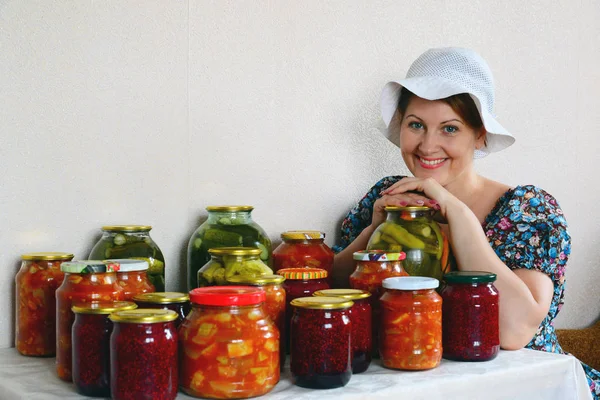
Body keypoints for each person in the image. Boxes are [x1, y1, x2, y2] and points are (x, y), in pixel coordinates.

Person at [331, 47, 600, 398]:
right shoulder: (385, 197)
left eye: (449, 128)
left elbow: (515, 330)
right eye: (416, 125)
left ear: (480, 135)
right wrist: (372, 231)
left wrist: (458, 215)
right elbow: (330, 294)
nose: (428, 145)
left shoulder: (528, 210)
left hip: (528, 388)